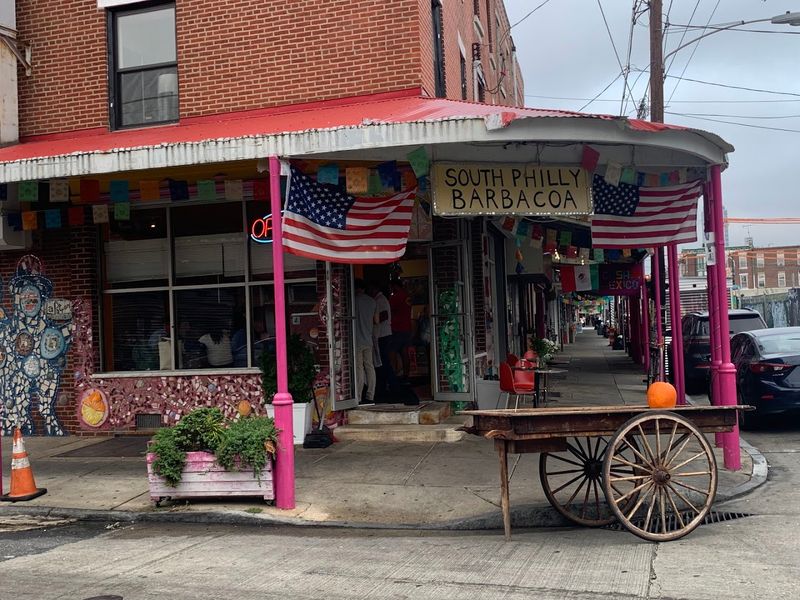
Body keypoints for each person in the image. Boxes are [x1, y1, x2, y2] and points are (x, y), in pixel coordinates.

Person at [354, 279, 377, 403]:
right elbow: (377, 320)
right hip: (368, 338)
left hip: (357, 339)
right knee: (369, 366)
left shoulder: (354, 301)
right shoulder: (372, 301)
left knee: (359, 368)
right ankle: (371, 395)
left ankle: (358, 396)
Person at [369, 282, 394, 398]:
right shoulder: (379, 299)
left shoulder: (380, 300)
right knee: (383, 361)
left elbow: (384, 315)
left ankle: (390, 385)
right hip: (383, 334)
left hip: (383, 334)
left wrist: (372, 320)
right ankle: (388, 384)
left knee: (383, 361)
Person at [388, 278, 413, 381]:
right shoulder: (407, 296)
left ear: (394, 286)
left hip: (397, 328)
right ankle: (406, 375)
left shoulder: (395, 297)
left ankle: (393, 374)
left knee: (392, 351)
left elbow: (389, 310)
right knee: (405, 352)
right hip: (407, 327)